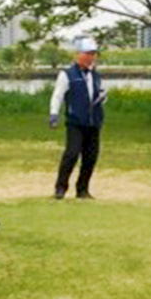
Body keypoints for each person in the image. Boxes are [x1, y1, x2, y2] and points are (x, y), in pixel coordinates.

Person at [49, 37, 107, 199]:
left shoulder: (95, 75)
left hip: (94, 121)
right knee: (72, 154)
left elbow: (99, 92)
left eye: (93, 54)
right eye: (88, 54)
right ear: (78, 55)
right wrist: (54, 114)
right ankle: (60, 187)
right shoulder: (67, 75)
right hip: (76, 121)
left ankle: (82, 189)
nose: (91, 57)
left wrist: (102, 97)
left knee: (90, 157)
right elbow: (58, 96)